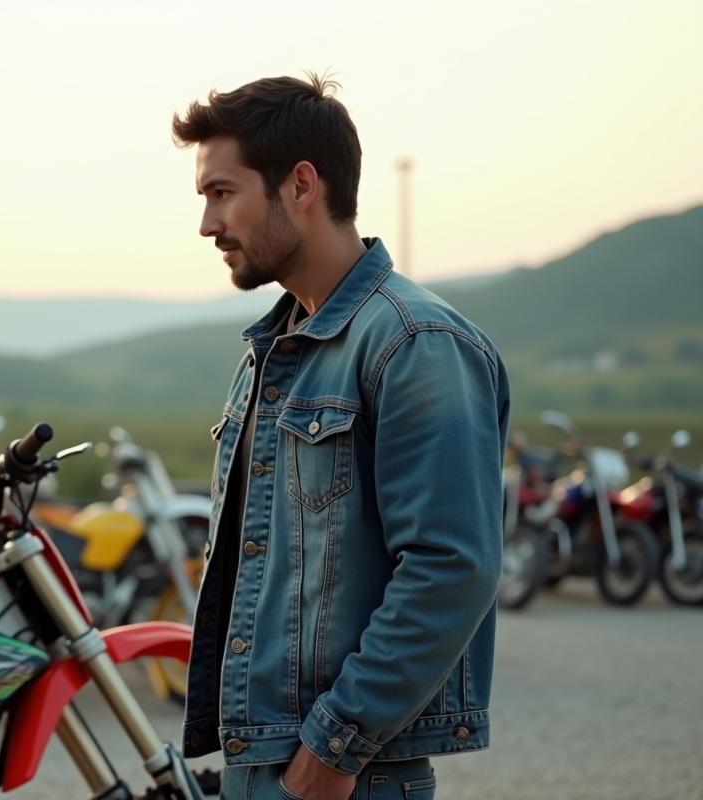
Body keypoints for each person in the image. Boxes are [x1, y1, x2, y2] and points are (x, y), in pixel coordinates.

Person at [172, 73, 509, 800]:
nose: (207, 223)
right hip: (262, 763)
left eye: (222, 192)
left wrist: (331, 751)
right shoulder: (273, 353)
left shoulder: (416, 342)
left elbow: (452, 568)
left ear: (301, 185)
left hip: (341, 776)